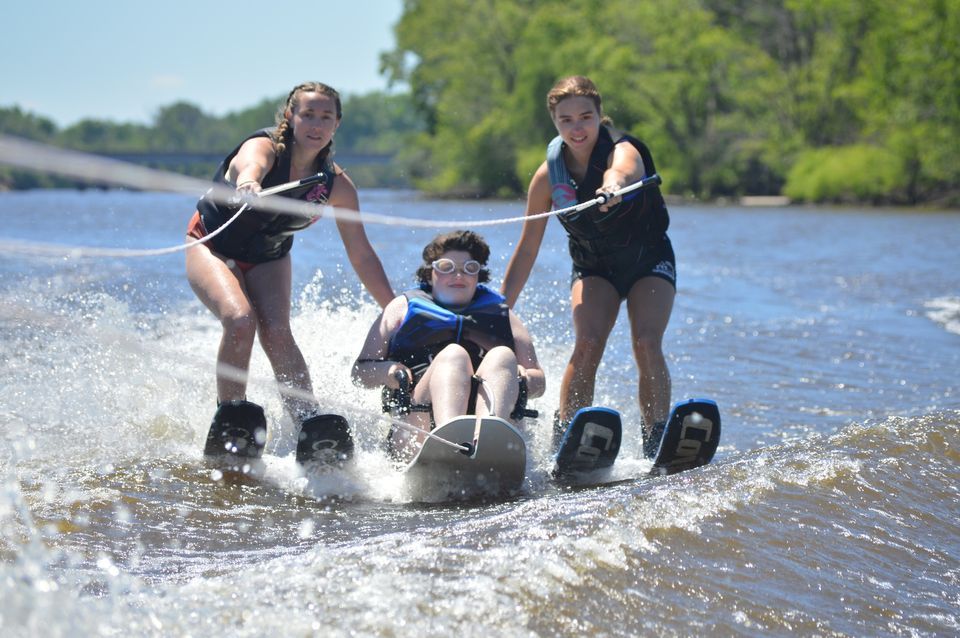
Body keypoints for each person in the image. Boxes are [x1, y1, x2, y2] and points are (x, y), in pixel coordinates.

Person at [186, 81, 394, 429]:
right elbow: (249, 165)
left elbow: (361, 254)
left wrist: (394, 310)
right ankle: (232, 415)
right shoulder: (264, 147)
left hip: (270, 256)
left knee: (278, 332)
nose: (316, 125)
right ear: (290, 116)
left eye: (325, 117)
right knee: (240, 321)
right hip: (212, 244)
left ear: (336, 124)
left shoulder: (336, 186)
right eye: (307, 114)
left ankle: (308, 424)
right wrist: (248, 184)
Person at [501, 75, 676, 459]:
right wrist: (499, 310)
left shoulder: (623, 150)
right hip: (594, 267)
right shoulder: (548, 177)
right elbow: (527, 249)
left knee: (646, 342)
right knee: (588, 343)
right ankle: (566, 437)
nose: (577, 128)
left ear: (600, 116)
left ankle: (656, 438)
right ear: (555, 124)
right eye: (566, 121)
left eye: (585, 117)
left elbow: (624, 170)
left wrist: (611, 187)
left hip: (648, 259)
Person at [352, 230, 546, 460]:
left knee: (503, 356)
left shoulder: (503, 315)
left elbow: (539, 383)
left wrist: (524, 377)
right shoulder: (401, 308)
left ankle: (489, 441)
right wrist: (389, 372)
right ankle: (448, 445)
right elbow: (360, 372)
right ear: (430, 272)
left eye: (469, 268)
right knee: (454, 356)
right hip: (420, 418)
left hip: (487, 415)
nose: (458, 275)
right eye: (447, 267)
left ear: (478, 275)